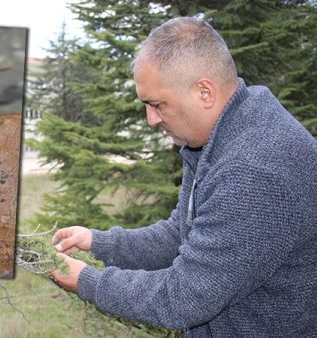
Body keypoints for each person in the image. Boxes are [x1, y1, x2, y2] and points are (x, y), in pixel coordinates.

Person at [50, 16, 317, 337]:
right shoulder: (224, 134)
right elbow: (182, 234)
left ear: (205, 92)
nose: (151, 119)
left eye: (158, 104)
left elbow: (185, 297)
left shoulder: (252, 169)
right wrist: (99, 243)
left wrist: (89, 281)